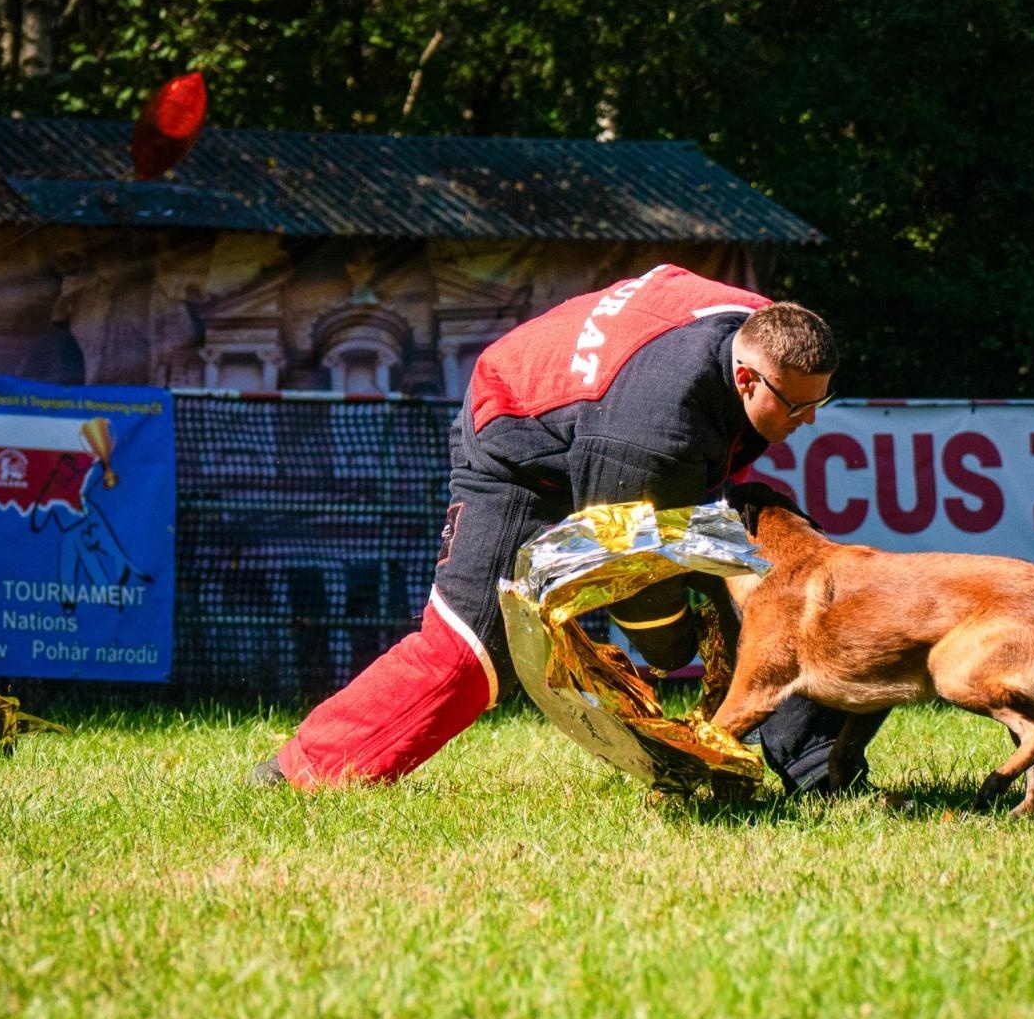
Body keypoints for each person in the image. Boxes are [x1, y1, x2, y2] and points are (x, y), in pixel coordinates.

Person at [252, 262, 885, 793]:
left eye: (818, 402)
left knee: (784, 569)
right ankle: (303, 771)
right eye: (796, 406)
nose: (808, 420)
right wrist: (678, 646)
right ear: (744, 378)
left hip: (611, 419)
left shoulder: (764, 330)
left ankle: (822, 772)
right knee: (472, 651)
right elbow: (632, 576)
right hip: (520, 451)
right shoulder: (652, 440)